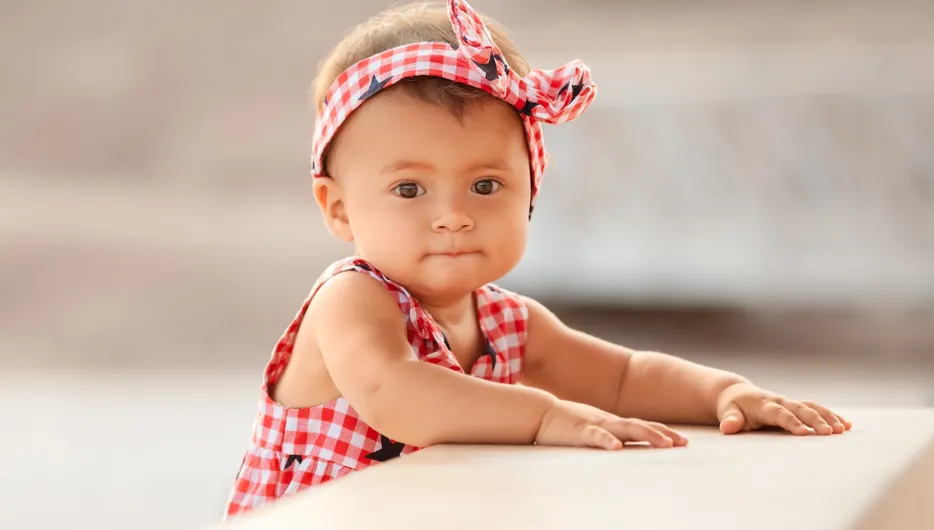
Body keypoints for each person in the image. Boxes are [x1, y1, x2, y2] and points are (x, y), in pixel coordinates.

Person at [224, 0, 852, 518]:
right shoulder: (352, 300)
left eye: (486, 185)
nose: (454, 215)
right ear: (337, 209)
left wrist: (724, 391)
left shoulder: (505, 323)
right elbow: (397, 393)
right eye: (410, 189)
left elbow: (624, 378)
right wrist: (545, 415)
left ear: (531, 190)